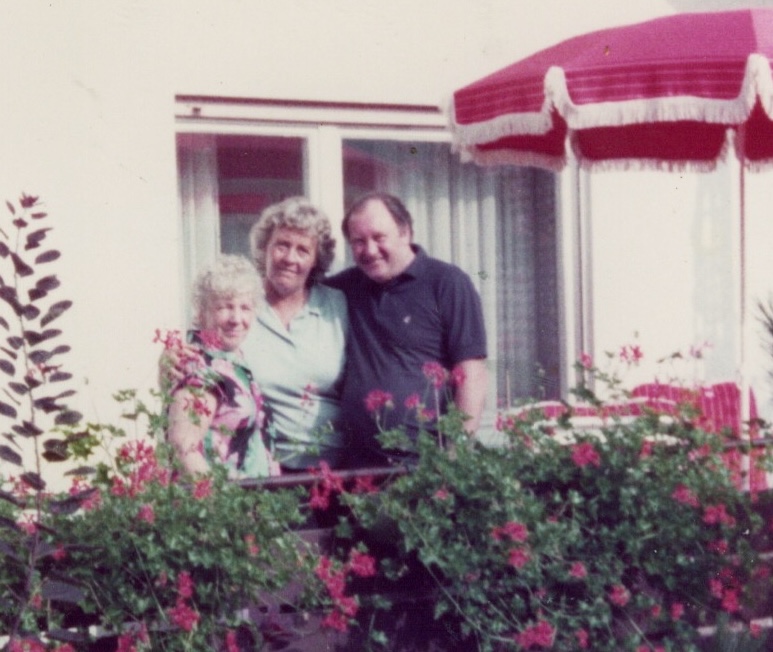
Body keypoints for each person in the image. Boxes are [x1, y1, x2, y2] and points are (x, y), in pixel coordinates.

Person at [326, 191, 488, 468]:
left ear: (405, 232)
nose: (370, 250)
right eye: (358, 242)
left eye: (379, 237)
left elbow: (471, 373)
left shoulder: (447, 283)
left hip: (425, 465)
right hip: (354, 468)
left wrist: (456, 457)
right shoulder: (344, 288)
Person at [244, 197, 349, 471]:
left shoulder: (338, 306)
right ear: (265, 248)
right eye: (282, 245)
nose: (290, 258)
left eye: (303, 250)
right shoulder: (242, 305)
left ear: (315, 260)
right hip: (263, 467)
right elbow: (201, 354)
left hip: (336, 468)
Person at [167, 255, 275, 478]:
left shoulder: (231, 361)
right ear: (202, 311)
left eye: (245, 307)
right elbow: (183, 448)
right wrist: (219, 498)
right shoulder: (200, 368)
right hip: (222, 498)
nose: (236, 318)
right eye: (225, 307)